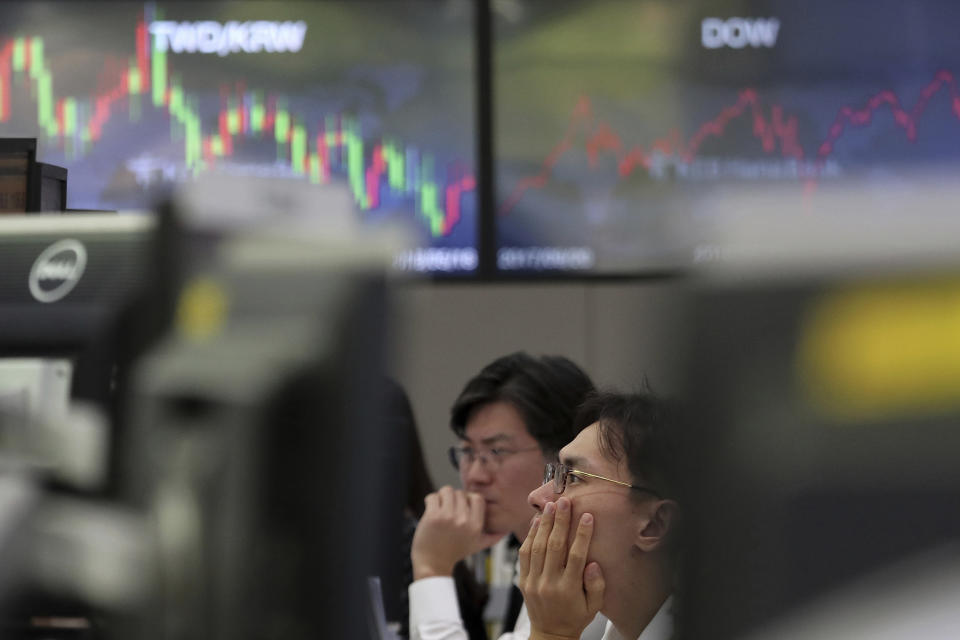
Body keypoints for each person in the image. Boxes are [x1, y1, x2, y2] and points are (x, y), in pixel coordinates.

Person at [408, 352, 598, 640]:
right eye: (468, 452)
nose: (474, 476)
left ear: (564, 457)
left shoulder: (588, 568)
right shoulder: (521, 553)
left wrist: (432, 568)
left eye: (496, 451)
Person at [520, 391, 681, 640]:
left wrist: (551, 634)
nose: (536, 497)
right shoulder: (589, 626)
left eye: (573, 477)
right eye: (554, 474)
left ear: (654, 525)